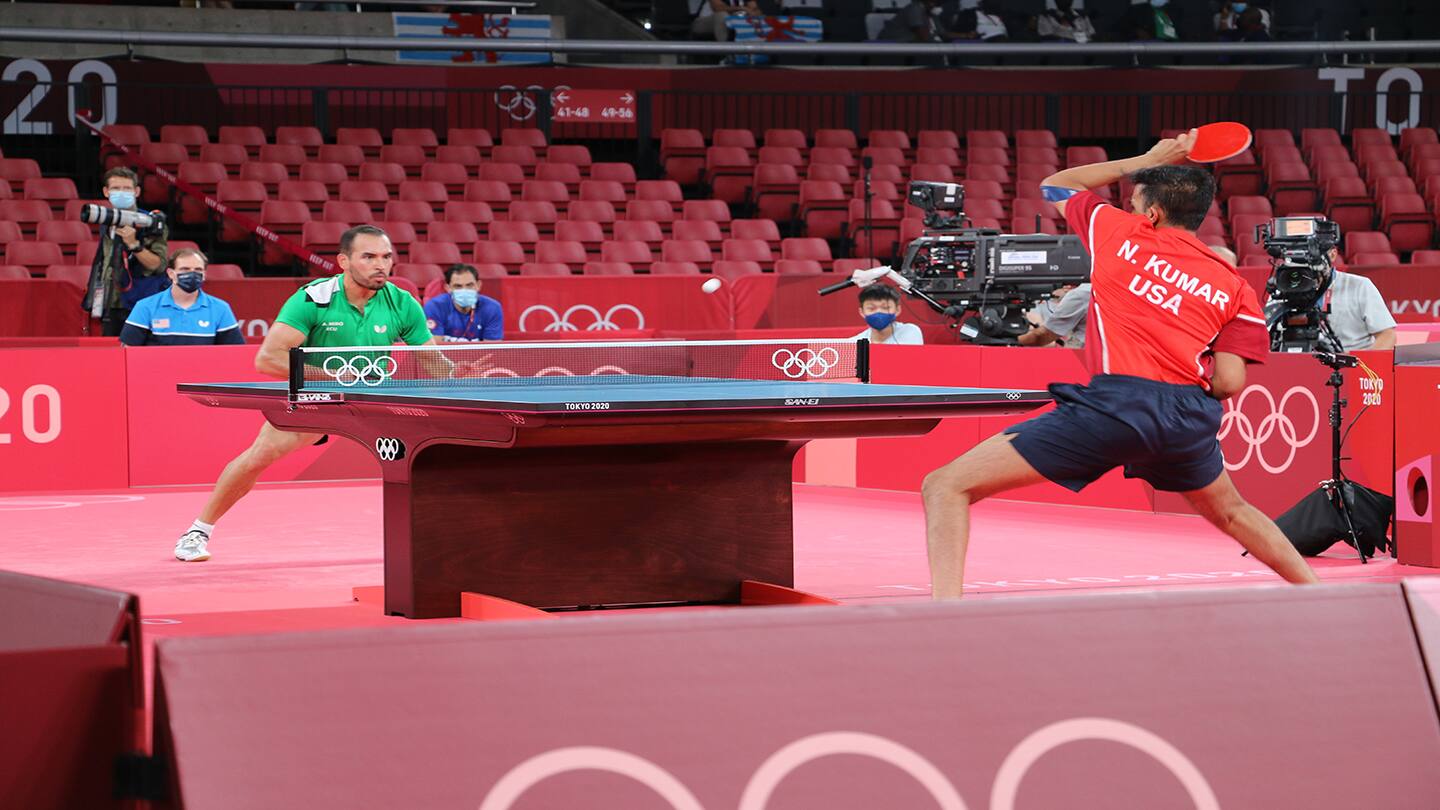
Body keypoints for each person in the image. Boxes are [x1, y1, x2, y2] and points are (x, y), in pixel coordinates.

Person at [922, 132, 1320, 599]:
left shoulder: (1118, 232)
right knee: (1233, 511)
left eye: (1133, 204)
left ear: (1150, 214)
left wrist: (1146, 160)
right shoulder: (1235, 285)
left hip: (1118, 404)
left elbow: (1056, 184)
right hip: (1189, 415)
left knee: (945, 486)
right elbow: (1229, 382)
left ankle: (944, 613)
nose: (1130, 211)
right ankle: (1322, 594)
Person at [173, 225, 448, 562]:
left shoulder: (402, 302)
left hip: (374, 402)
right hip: (318, 400)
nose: (381, 265)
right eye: (369, 257)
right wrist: (333, 376)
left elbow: (435, 365)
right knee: (259, 457)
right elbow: (268, 359)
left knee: (440, 452)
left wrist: (464, 372)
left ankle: (444, 539)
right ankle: (198, 531)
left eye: (386, 257)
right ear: (344, 261)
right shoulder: (312, 298)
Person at [84, 167, 168, 337]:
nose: (121, 193)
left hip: (141, 300)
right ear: (106, 192)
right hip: (110, 302)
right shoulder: (106, 220)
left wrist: (134, 245)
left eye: (127, 188)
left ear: (136, 191)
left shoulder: (151, 223)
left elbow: (158, 265)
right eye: (115, 188)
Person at [1267, 247, 1397, 352]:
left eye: (1313, 254)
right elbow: (1266, 337)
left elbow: (1387, 335)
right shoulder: (1282, 289)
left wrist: (1363, 367)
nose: (1306, 261)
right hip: (1296, 369)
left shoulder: (1359, 285)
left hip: (1349, 368)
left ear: (1333, 254)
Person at [119, 248, 245, 346]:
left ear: (204, 275)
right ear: (171, 274)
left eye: (198, 270)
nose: (192, 274)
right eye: (185, 269)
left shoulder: (221, 308)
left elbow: (234, 352)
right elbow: (128, 351)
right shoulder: (145, 307)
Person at [423, 263, 504, 342]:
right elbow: (434, 349)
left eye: (469, 285)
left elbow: (492, 349)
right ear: (448, 288)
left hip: (482, 356)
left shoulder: (492, 308)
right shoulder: (434, 307)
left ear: (478, 285)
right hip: (443, 356)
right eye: (458, 286)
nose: (464, 290)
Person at [1018, 283, 1091, 347]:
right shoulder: (1087, 290)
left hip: (1089, 353)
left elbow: (1043, 336)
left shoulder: (1081, 293)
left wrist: (1013, 340)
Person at [854, 284, 924, 344]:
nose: (879, 312)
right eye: (871, 308)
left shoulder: (910, 332)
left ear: (897, 310)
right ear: (862, 312)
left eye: (886, 307)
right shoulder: (855, 343)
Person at [691, 0, 761, 41]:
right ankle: (726, 53)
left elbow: (755, 9)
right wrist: (742, 8)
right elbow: (718, 8)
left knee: (757, 18)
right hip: (704, 22)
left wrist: (754, 12)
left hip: (733, 22)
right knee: (722, 15)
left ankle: (760, 52)